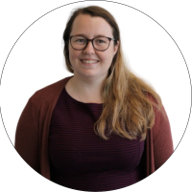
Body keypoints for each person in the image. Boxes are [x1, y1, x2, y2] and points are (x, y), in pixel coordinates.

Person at [15, 6, 174, 191]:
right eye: (80, 40)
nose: (89, 50)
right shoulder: (39, 105)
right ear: (68, 45)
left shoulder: (147, 104)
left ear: (115, 47)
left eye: (100, 41)